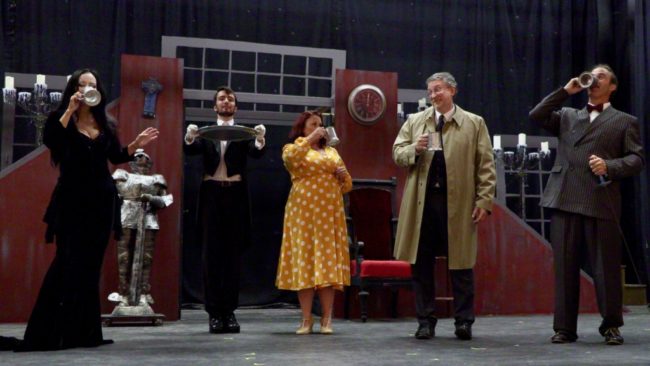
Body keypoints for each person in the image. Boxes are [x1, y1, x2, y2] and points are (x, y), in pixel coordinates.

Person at [4, 68, 159, 352]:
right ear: (74, 89)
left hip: (101, 203)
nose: (88, 88)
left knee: (90, 268)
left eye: (93, 84)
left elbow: (113, 156)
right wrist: (69, 110)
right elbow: (51, 140)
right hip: (72, 202)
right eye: (82, 84)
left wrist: (135, 146)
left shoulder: (105, 125)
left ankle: (84, 333)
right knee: (66, 264)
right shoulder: (60, 120)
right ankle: (47, 334)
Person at [529, 64, 644, 345]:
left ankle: (611, 325)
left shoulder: (624, 121)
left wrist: (610, 165)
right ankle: (565, 328)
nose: (594, 79)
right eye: (591, 75)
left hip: (599, 200)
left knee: (605, 269)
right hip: (565, 197)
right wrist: (566, 91)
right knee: (565, 269)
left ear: (613, 86)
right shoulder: (568, 115)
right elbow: (537, 114)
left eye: (601, 76)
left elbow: (637, 159)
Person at [393, 72, 496, 340]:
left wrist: (484, 200)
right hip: (422, 205)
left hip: (458, 205)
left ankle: (464, 322)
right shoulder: (416, 121)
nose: (433, 95)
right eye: (430, 91)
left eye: (438, 90)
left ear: (452, 90)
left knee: (461, 265)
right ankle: (425, 321)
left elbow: (485, 165)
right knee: (422, 265)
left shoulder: (474, 123)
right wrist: (414, 148)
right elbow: (397, 153)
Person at [184, 86, 266, 334]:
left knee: (232, 257)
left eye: (230, 99)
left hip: (235, 197)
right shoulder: (206, 132)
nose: (226, 102)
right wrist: (189, 137)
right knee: (211, 257)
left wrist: (260, 140)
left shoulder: (242, 133)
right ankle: (214, 313)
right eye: (222, 99)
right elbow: (190, 150)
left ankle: (229, 312)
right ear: (214, 106)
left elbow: (255, 154)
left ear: (236, 107)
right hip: (211, 195)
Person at [275, 110, 352, 335]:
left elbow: (347, 185)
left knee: (327, 264)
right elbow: (290, 161)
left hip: (329, 213)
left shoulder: (332, 152)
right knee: (306, 261)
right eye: (314, 124)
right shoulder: (294, 147)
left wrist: (342, 175)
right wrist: (309, 139)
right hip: (304, 212)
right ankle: (306, 319)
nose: (320, 128)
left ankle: (326, 319)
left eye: (321, 125)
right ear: (303, 127)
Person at [111, 148, 173, 309]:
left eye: (144, 159)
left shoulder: (157, 179)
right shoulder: (121, 175)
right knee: (124, 257)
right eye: (137, 159)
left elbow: (167, 200)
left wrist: (152, 198)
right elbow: (112, 196)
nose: (141, 162)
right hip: (126, 216)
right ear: (131, 162)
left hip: (148, 218)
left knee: (146, 257)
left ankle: (143, 292)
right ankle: (124, 293)